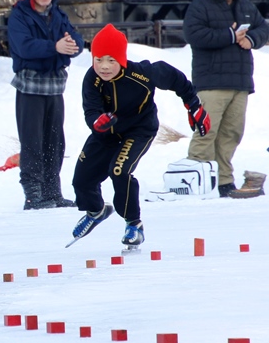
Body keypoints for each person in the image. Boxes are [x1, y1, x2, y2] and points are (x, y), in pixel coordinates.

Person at [69, 24, 210, 251]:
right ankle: (96, 211)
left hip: (138, 130)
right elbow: (91, 110)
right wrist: (97, 122)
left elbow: (176, 79)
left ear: (122, 59)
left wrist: (193, 105)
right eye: (98, 60)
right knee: (82, 181)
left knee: (119, 170)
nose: (104, 66)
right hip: (105, 133)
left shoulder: (142, 73)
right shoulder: (91, 79)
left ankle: (134, 224)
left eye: (111, 60)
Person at [183, 0, 269, 198]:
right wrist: (229, 35)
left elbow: (263, 28)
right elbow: (194, 35)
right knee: (206, 132)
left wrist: (252, 39)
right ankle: (196, 180)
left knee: (231, 134)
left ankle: (223, 181)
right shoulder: (200, 6)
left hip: (240, 82)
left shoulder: (246, 5)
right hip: (211, 82)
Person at [7, 0, 84, 210]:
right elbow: (24, 47)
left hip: (54, 87)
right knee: (32, 142)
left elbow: (76, 41)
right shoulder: (19, 14)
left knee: (55, 142)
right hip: (29, 87)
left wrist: (71, 46)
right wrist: (55, 49)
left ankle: (53, 192)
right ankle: (33, 196)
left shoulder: (58, 14)